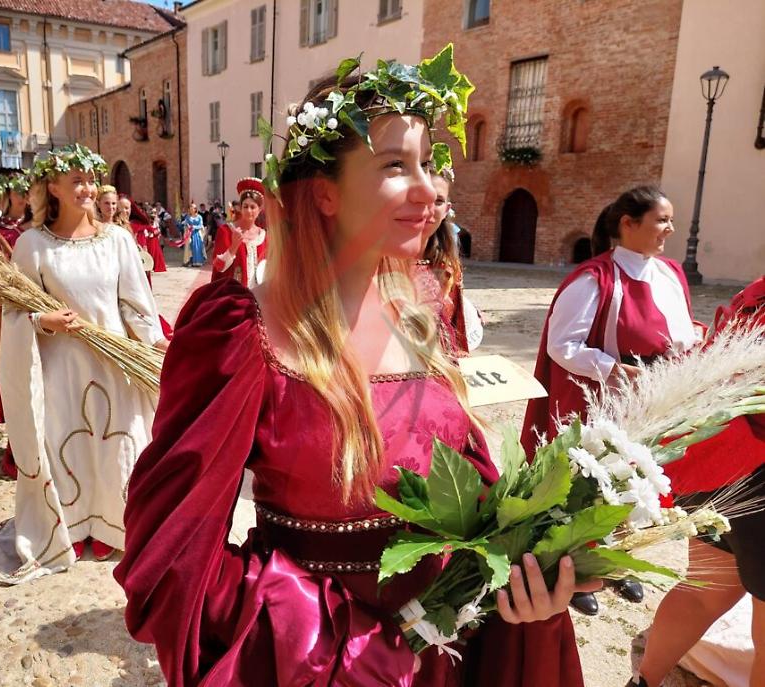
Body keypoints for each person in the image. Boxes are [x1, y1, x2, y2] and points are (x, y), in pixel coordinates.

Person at [116, 50, 597, 687]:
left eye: (428, 164)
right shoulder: (239, 330)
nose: (431, 190)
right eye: (395, 166)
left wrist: (528, 568)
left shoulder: (424, 309)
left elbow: (472, 483)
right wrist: (310, 635)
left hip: (445, 649)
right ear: (324, 193)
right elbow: (170, 545)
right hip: (323, 666)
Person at [0, 144, 168, 585]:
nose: (85, 188)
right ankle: (73, 525)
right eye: (75, 179)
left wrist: (156, 344)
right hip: (61, 367)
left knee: (119, 443)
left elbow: (137, 304)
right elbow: (13, 311)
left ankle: (113, 524)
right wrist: (42, 321)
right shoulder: (32, 245)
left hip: (115, 363)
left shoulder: (117, 239)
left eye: (89, 179)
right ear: (53, 187)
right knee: (69, 443)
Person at [522, 185, 702, 616]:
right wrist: (617, 370)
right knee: (584, 485)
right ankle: (570, 570)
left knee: (632, 482)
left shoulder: (671, 273)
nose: (670, 229)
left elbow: (681, 328)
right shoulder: (594, 278)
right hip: (602, 401)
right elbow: (563, 345)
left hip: (653, 399)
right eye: (662, 220)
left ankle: (615, 566)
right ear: (628, 223)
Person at [628, 276, 765, 687]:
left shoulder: (756, 290)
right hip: (755, 467)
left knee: (707, 589)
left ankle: (642, 683)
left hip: (711, 453)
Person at [417, 170, 483, 356]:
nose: (428, 209)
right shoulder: (381, 256)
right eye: (421, 198)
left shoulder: (448, 264)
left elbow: (455, 324)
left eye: (438, 201)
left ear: (447, 209)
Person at [210, 178, 268, 288]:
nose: (249, 211)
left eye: (253, 207)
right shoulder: (226, 231)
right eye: (245, 206)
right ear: (240, 208)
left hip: (258, 294)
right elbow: (218, 267)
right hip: (233, 294)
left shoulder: (263, 236)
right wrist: (233, 247)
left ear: (259, 209)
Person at [120, 195, 167, 274]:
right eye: (120, 208)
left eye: (126, 208)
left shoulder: (138, 225)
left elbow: (142, 248)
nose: (123, 211)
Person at [178, 203, 206, 267]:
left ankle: (198, 261)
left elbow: (200, 225)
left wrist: (194, 227)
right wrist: (187, 226)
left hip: (197, 234)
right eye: (190, 207)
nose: (191, 209)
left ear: (195, 209)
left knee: (197, 247)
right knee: (190, 246)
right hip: (190, 234)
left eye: (192, 207)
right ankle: (189, 261)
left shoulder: (199, 217)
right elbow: (186, 224)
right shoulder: (188, 217)